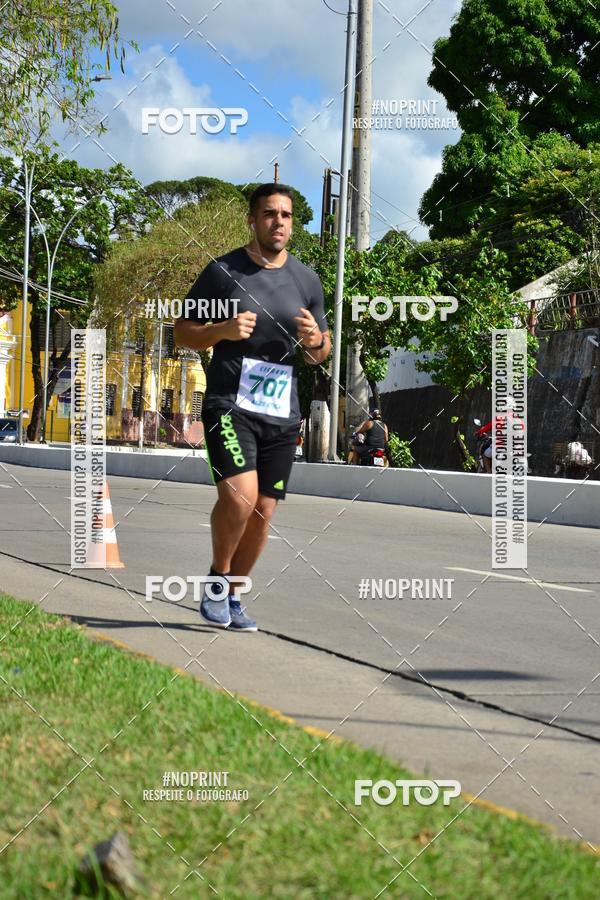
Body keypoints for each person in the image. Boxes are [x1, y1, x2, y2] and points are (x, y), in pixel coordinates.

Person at [174, 183, 330, 632]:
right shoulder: (223, 271)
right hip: (229, 404)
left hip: (281, 411)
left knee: (265, 509)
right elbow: (182, 332)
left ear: (292, 223)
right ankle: (217, 580)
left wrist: (314, 342)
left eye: (286, 215)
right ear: (252, 220)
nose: (278, 221)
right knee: (240, 496)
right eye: (269, 213)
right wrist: (221, 330)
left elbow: (321, 352)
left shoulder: (307, 280)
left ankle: (234, 595)